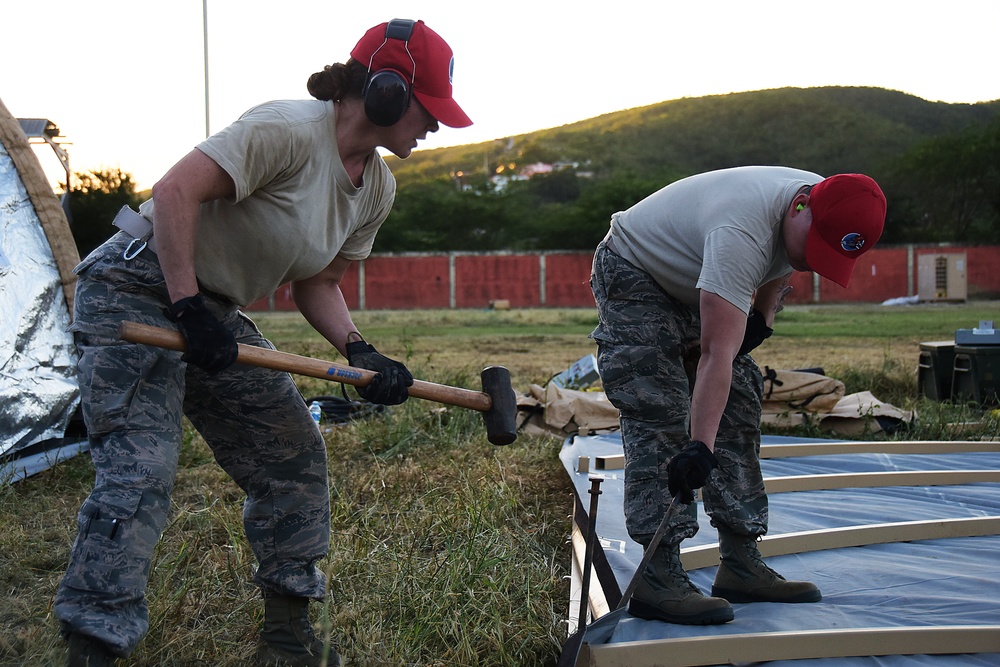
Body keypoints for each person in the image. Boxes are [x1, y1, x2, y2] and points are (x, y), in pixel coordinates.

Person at [54, 18, 471, 667]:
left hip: (211, 308)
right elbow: (173, 193)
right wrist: (187, 307)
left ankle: (286, 642)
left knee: (292, 453)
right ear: (386, 91)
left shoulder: (376, 189)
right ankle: (92, 646)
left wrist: (362, 350)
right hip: (135, 285)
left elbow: (320, 283)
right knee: (142, 466)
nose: (436, 125)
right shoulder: (288, 130)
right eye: (429, 109)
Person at [589, 166, 886, 625]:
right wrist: (699, 448)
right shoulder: (740, 230)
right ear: (800, 207)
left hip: (694, 273)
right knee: (659, 402)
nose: (810, 259)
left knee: (742, 398)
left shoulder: (830, 201)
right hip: (636, 268)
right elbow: (714, 356)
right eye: (813, 247)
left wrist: (762, 317)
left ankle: (741, 561)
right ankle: (656, 572)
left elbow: (785, 259)